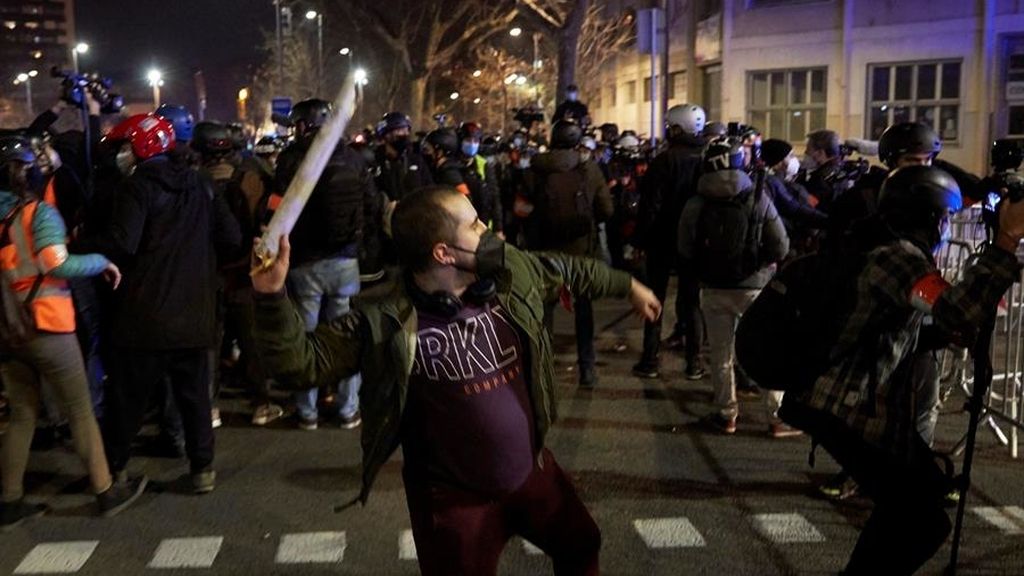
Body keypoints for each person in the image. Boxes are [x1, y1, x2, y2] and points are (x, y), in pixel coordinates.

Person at [252, 185, 661, 576]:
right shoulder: (384, 320)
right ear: (443, 252)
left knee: (581, 543)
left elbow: (567, 268)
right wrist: (271, 296)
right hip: (453, 506)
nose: (488, 231)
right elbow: (300, 364)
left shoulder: (510, 276)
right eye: (474, 226)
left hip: (532, 474)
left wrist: (629, 287)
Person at [780, 164, 1024, 575]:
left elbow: (892, 322)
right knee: (922, 518)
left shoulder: (880, 249)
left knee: (913, 508)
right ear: (930, 216)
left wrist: (938, 333)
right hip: (849, 408)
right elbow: (958, 313)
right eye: (946, 217)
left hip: (844, 402)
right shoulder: (899, 257)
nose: (949, 226)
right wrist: (1005, 239)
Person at [82, 113, 241, 495]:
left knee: (128, 401)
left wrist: (88, 243)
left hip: (145, 318)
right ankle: (202, 469)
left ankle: (115, 470)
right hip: (195, 315)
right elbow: (232, 237)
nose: (121, 155)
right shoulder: (201, 184)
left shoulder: (136, 187)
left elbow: (123, 243)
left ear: (140, 147)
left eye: (123, 147)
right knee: (194, 398)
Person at [0, 136, 146, 530]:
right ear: (27, 171)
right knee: (80, 409)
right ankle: (105, 490)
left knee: (22, 412)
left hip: (8, 331)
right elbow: (55, 262)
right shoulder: (38, 213)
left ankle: (9, 498)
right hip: (46, 324)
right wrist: (101, 261)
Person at [677, 138, 793, 437]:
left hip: (713, 289)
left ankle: (727, 415)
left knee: (721, 354)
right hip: (754, 288)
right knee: (767, 350)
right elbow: (780, 245)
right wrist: (760, 266)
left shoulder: (696, 202)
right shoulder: (756, 196)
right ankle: (777, 418)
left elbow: (685, 249)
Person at [274, 98, 371, 431]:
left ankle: (307, 411)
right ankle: (348, 409)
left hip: (304, 263)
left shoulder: (290, 161)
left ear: (305, 125)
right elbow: (370, 203)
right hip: (345, 260)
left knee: (308, 339)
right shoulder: (354, 160)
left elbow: (276, 208)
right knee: (345, 336)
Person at [524, 119, 614, 388]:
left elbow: (520, 211)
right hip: (581, 252)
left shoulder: (534, 171)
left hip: (544, 252)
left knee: (545, 311)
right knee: (584, 311)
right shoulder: (590, 170)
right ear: (578, 142)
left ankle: (543, 368)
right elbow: (607, 211)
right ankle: (587, 369)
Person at [632, 103, 707, 380]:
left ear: (677, 128)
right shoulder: (707, 158)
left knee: (655, 298)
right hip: (696, 241)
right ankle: (694, 362)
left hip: (662, 240)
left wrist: (640, 239)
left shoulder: (664, 161)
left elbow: (650, 206)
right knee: (692, 302)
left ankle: (650, 359)